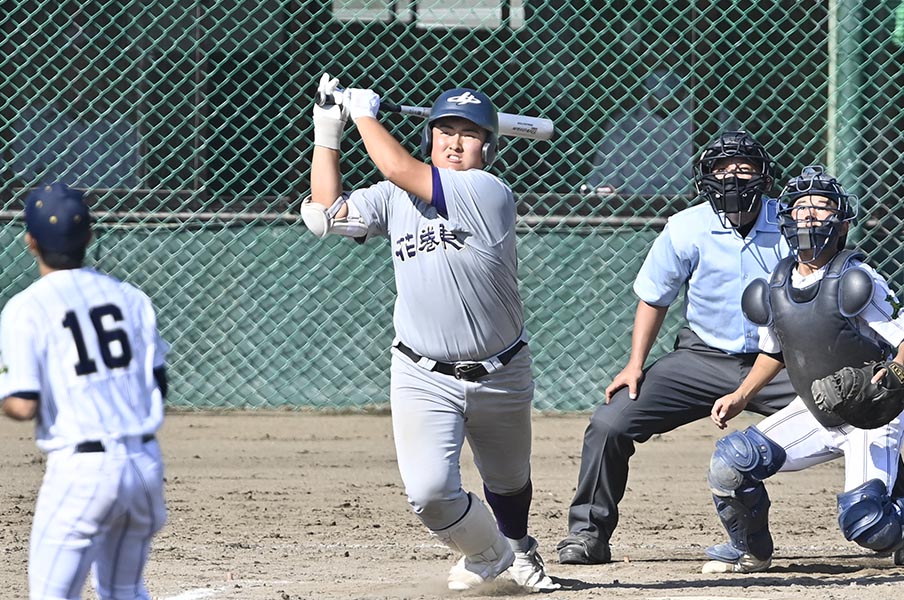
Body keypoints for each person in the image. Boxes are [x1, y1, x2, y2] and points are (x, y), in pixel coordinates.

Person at [301, 74, 559, 591]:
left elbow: (396, 164)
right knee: (430, 491)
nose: (455, 142)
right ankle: (490, 555)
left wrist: (364, 113)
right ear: (430, 137)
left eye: (469, 134)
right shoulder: (393, 196)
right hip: (423, 372)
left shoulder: (487, 192)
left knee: (509, 481)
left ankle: (517, 545)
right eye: (445, 131)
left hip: (501, 370)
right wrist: (328, 131)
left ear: (488, 147)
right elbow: (326, 215)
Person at [557, 130, 798, 565]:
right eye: (721, 170)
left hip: (781, 362)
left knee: (864, 410)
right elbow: (655, 297)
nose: (733, 179)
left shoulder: (788, 224)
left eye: (744, 169)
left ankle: (889, 524)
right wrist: (635, 365)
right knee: (610, 423)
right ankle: (587, 534)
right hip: (702, 358)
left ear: (764, 176)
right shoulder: (687, 226)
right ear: (704, 178)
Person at [702, 166, 904, 573]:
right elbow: (774, 352)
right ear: (786, 219)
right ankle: (752, 550)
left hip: (872, 416)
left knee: (867, 523)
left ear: (842, 222)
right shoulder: (776, 285)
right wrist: (742, 395)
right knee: (731, 464)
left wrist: (896, 373)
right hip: (818, 410)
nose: (809, 214)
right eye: (800, 206)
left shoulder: (856, 278)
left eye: (821, 206)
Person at [0, 183, 169, 599]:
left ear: (30, 241)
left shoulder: (28, 306)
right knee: (124, 589)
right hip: (144, 466)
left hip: (83, 472)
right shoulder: (131, 298)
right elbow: (158, 385)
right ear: (90, 237)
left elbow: (22, 405)